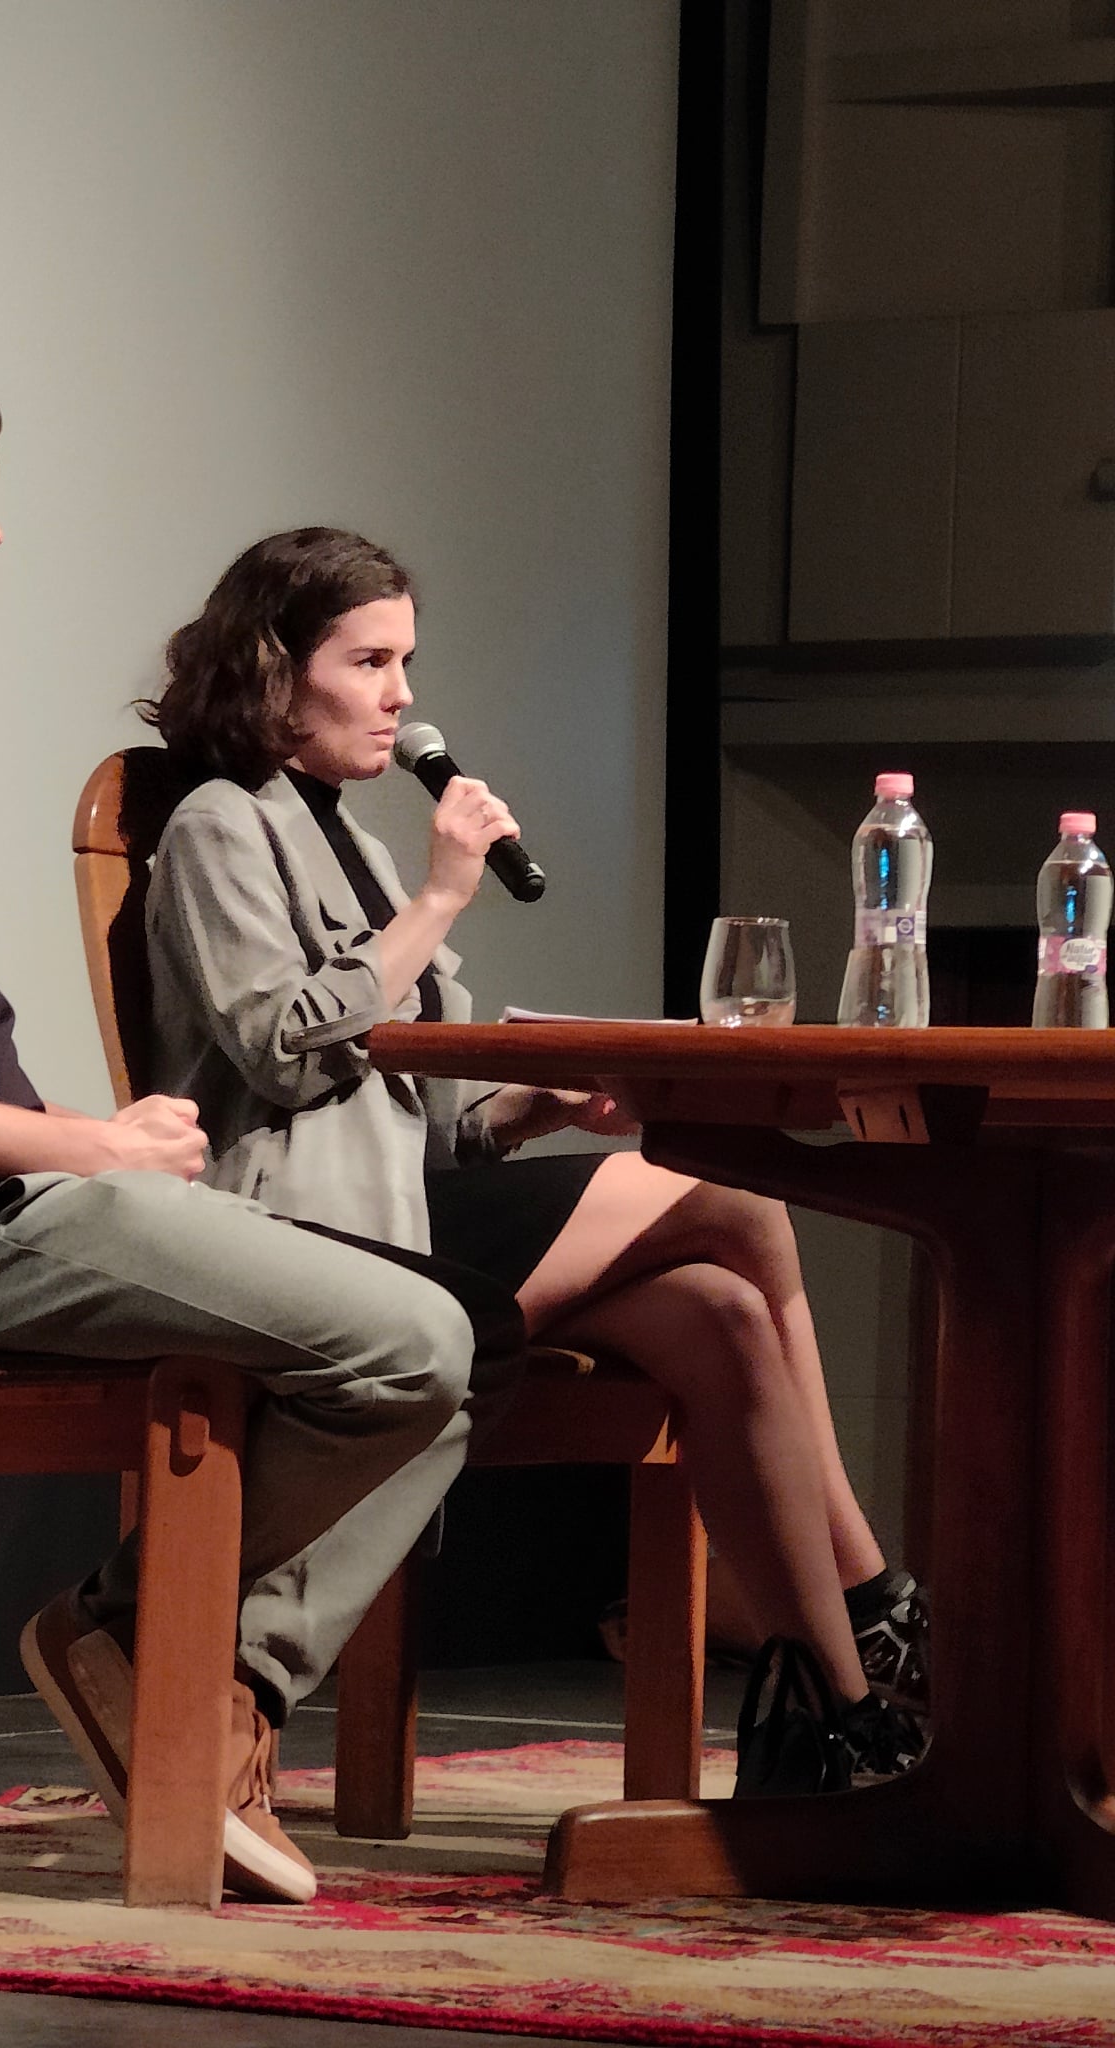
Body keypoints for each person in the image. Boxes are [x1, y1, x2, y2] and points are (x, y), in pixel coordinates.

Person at [0, 346, 530, 1903]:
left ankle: (178, 1674)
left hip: (6, 1205)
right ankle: (138, 1643)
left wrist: (87, 1135)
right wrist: (90, 1146)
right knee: (418, 1347)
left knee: (450, 1354)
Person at [140, 527, 928, 1794]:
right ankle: (872, 1593)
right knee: (735, 1202)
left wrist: (533, 1109)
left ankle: (824, 1710)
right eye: (369, 661)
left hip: (414, 1202)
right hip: (309, 1237)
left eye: (406, 662)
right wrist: (440, 902)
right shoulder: (216, 827)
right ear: (275, 671)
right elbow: (285, 1051)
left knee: (719, 1312)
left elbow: (430, 1114)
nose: (402, 696)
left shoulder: (358, 846)